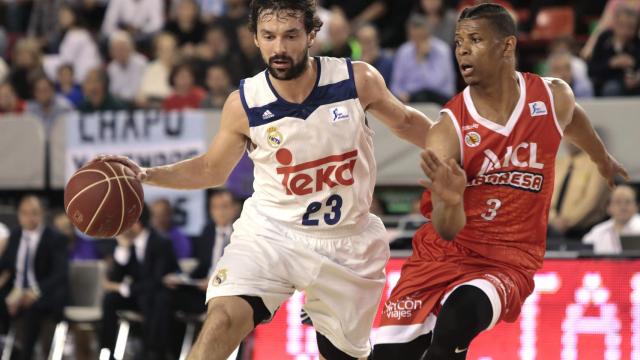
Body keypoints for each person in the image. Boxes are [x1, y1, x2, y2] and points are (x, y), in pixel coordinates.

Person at [94, 0, 433, 358]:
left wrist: (465, 150)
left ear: (311, 35)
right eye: (268, 36)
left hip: (347, 242)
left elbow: (407, 122)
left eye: (290, 36)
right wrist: (146, 174)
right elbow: (212, 169)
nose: (280, 48)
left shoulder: (356, 80)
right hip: (272, 234)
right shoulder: (244, 103)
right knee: (221, 321)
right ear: (255, 38)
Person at [372, 4, 628, 359]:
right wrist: (449, 199)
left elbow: (575, 122)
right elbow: (447, 229)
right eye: (459, 41)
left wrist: (601, 158)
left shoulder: (552, 97)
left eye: (474, 40)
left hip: (508, 261)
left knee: (456, 321)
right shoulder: (449, 130)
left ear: (507, 46)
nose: (462, 49)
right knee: (389, 356)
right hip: (441, 254)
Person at [99, 204, 179, 359]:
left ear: (136, 222)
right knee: (110, 300)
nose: (119, 228)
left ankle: (152, 353)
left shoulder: (161, 242)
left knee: (154, 299)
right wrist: (122, 248)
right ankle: (107, 351)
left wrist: (123, 288)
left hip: (158, 294)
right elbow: (115, 279)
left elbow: (157, 280)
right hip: (139, 294)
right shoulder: (128, 243)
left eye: (123, 223)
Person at [1, 196, 68, 360]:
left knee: (31, 311)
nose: (29, 218)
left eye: (34, 213)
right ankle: (6, 346)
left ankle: (26, 353)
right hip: (17, 289)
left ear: (42, 214)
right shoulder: (15, 235)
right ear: (18, 215)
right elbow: (7, 266)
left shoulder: (55, 238)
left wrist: (34, 292)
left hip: (43, 292)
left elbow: (59, 274)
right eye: (24, 213)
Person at [583, 184, 640, 254]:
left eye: (628, 202)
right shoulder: (597, 232)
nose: (623, 207)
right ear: (608, 207)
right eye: (618, 202)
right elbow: (584, 255)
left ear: (637, 206)